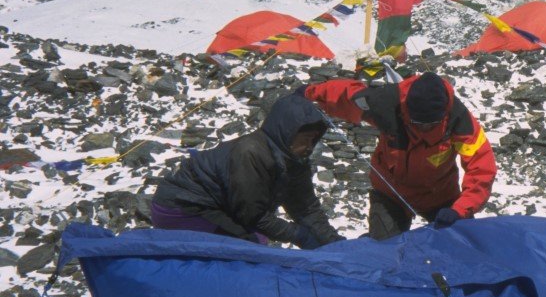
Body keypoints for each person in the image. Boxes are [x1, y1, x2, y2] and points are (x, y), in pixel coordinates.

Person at [303, 72, 495, 238]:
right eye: (418, 123)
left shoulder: (459, 119)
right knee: (385, 251)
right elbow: (346, 95)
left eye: (431, 124)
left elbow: (481, 167)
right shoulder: (384, 104)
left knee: (459, 245)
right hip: (391, 193)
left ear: (444, 114)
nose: (424, 129)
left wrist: (460, 210)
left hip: (441, 196)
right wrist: (308, 93)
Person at [151, 93, 344, 249]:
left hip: (219, 206)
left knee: (258, 240)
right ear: (287, 133)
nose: (309, 146)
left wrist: (332, 242)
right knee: (250, 246)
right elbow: (253, 216)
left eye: (313, 140)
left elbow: (306, 207)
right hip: (181, 206)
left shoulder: (295, 159)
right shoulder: (251, 153)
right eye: (305, 138)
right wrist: (299, 235)